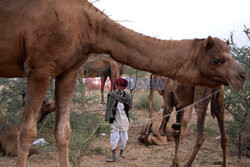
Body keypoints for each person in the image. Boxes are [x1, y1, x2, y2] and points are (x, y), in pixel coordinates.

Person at [105, 78, 132, 162]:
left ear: (124, 87)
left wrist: (126, 105)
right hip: (115, 120)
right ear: (116, 86)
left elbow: (130, 106)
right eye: (119, 86)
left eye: (122, 86)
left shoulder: (127, 96)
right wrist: (112, 109)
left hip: (124, 120)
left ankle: (121, 152)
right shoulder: (112, 95)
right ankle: (114, 157)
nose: (120, 88)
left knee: (124, 139)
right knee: (114, 138)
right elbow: (108, 107)